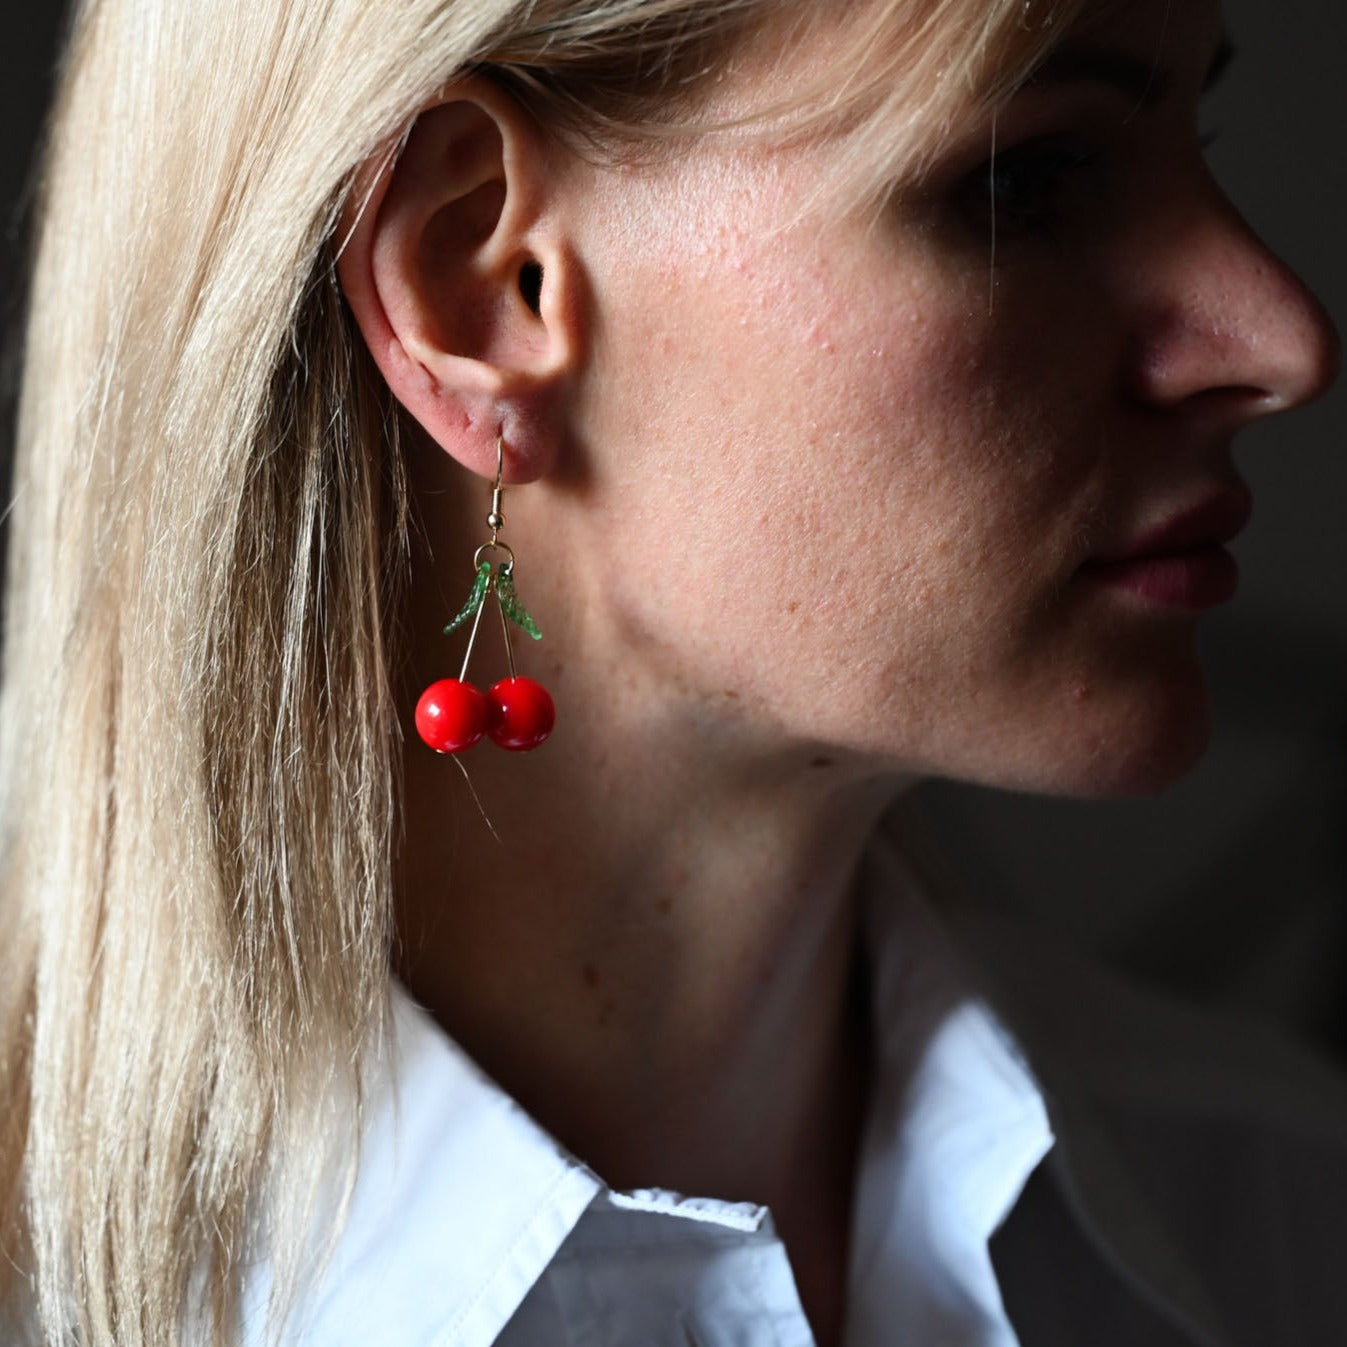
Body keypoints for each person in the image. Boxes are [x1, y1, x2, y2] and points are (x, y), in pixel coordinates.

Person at [2, 0, 1345, 1343]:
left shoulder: (1278, 1215)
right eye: (1029, 180)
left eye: (1199, 134)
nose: (1281, 338)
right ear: (484, 280)